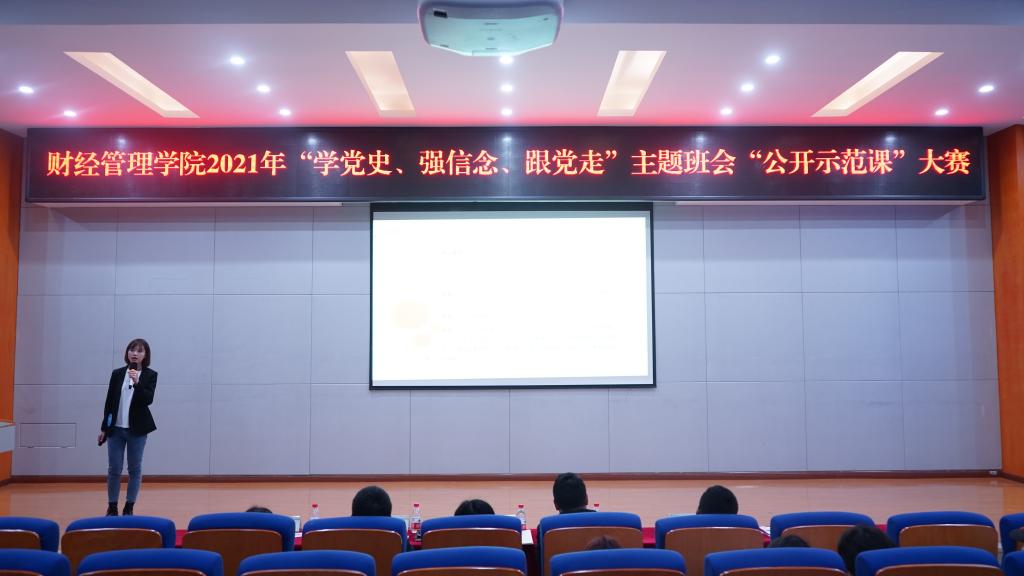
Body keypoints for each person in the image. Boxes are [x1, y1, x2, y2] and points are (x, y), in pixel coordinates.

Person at [98, 338, 157, 517]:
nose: (135, 353)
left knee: (134, 469)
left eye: (139, 351)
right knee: (114, 469)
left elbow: (148, 400)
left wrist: (137, 382)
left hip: (137, 431)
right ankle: (112, 507)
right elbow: (109, 402)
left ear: (145, 355)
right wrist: (104, 428)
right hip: (115, 430)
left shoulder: (150, 375)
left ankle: (129, 507)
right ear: (127, 353)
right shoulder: (117, 374)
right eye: (132, 349)